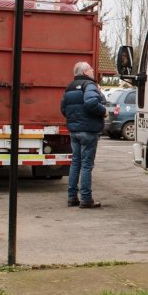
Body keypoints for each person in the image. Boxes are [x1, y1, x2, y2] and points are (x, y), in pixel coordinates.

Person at [60, 61, 107, 208]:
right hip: (88, 131)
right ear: (86, 72)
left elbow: (63, 109)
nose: (93, 71)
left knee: (75, 163)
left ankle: (72, 197)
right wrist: (103, 111)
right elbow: (91, 102)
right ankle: (86, 199)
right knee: (86, 165)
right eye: (91, 69)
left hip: (74, 131)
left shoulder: (69, 87)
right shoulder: (90, 86)